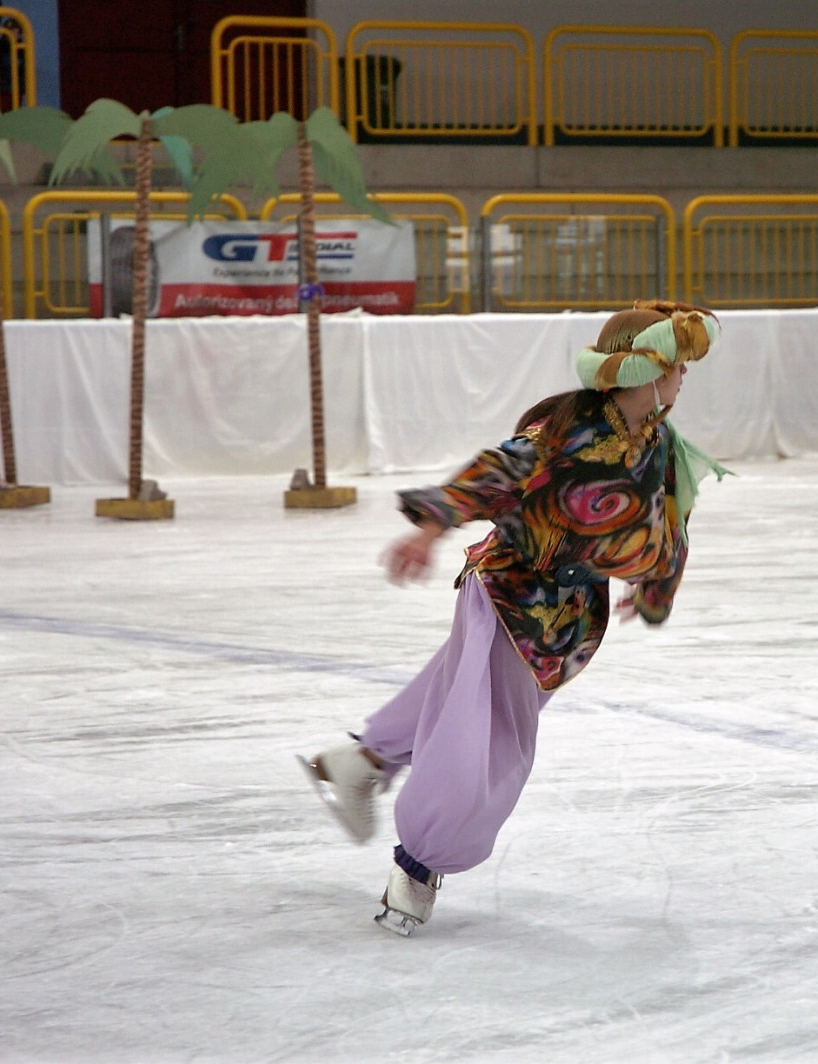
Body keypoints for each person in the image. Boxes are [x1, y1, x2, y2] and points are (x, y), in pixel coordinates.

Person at [298, 299, 728, 936]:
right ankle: (417, 867)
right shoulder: (568, 428)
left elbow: (671, 524)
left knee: (459, 698)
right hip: (512, 593)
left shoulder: (660, 445)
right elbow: (496, 473)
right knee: (486, 738)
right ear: (646, 368)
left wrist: (656, 592)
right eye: (678, 364)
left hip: (567, 621)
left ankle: (362, 762)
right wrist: (430, 528)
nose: (685, 375)